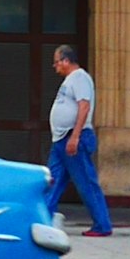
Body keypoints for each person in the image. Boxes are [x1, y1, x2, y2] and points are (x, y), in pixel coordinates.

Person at [47, 45, 114, 238]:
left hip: (73, 138)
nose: (55, 66)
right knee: (52, 180)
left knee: (86, 182)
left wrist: (75, 137)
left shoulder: (80, 78)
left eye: (57, 62)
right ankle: (42, 219)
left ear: (66, 61)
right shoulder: (70, 80)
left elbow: (83, 107)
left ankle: (102, 224)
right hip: (61, 139)